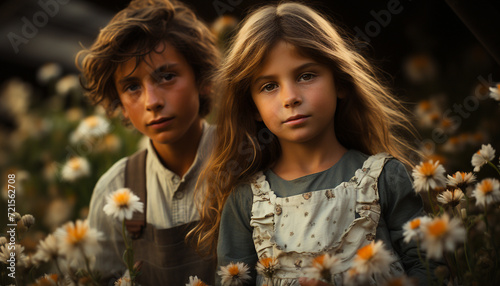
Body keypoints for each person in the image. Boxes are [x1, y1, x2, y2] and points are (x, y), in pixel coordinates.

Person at [192, 2, 434, 286]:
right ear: (253, 108)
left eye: (306, 76)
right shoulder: (247, 201)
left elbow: (428, 268)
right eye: (269, 86)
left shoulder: (384, 178)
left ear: (340, 83)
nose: (290, 97)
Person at [76, 0, 219, 284]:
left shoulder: (247, 158)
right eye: (132, 87)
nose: (152, 102)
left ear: (202, 79)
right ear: (120, 104)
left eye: (166, 76)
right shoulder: (114, 191)